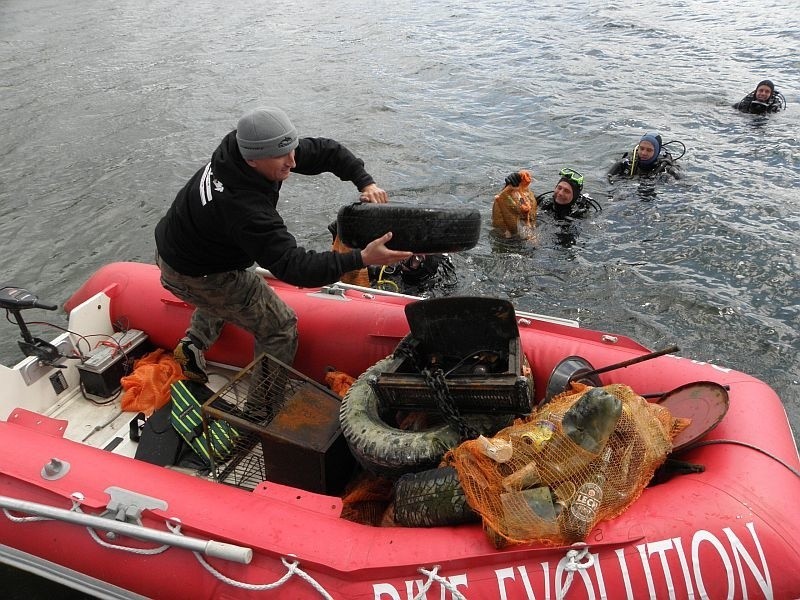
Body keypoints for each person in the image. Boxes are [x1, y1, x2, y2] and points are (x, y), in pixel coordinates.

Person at [155, 106, 413, 382]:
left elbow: (328, 152)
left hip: (185, 249)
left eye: (293, 149)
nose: (292, 161)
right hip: (193, 272)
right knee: (279, 325)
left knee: (237, 282)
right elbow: (294, 266)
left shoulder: (246, 148)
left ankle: (193, 344)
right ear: (253, 160)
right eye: (283, 155)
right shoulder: (243, 208)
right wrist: (361, 258)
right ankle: (260, 410)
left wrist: (365, 183)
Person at [504, 168, 601, 220]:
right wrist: (511, 185)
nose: (560, 193)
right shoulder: (544, 202)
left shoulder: (579, 214)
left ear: (574, 197)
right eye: (559, 188)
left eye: (567, 191)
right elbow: (516, 201)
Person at [607, 132, 684, 182]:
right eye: (642, 148)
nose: (643, 153)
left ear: (657, 151)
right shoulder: (625, 164)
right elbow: (607, 180)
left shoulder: (666, 169)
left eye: (649, 150)